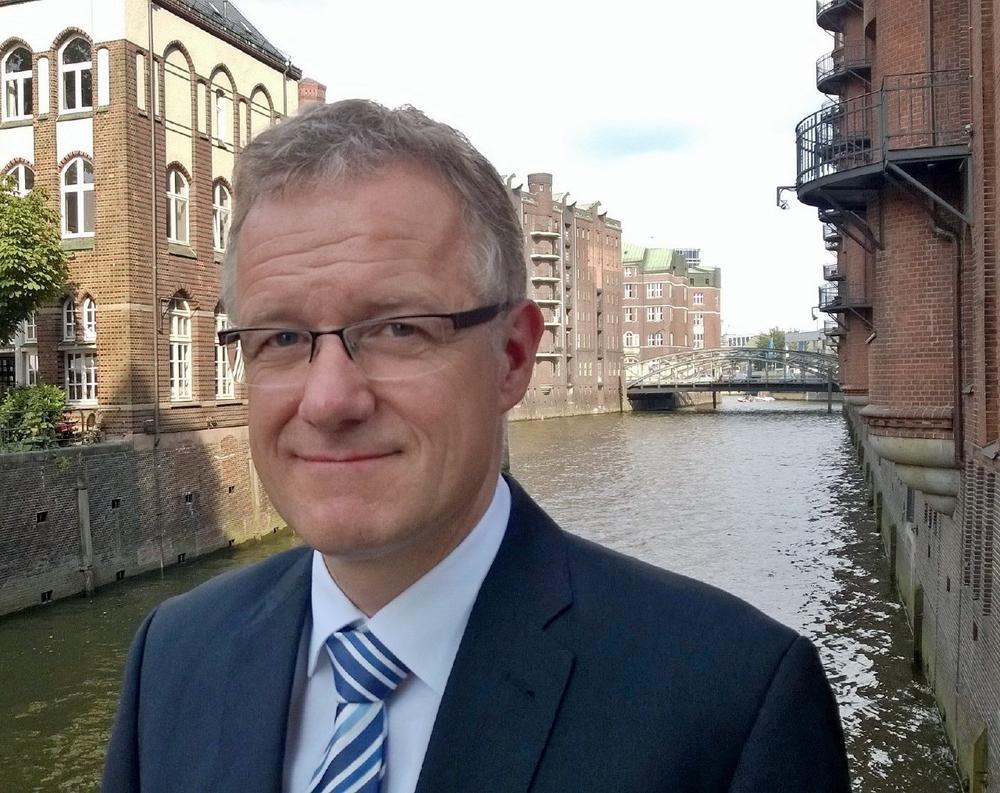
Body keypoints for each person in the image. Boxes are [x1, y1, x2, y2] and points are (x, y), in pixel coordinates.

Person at [102, 99, 851, 793]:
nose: (328, 401)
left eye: (398, 328)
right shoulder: (172, 655)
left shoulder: (732, 705)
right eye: (282, 338)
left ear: (513, 357)